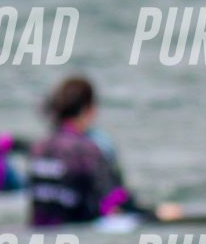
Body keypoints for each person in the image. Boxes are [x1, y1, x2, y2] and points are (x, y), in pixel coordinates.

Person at [24, 75, 184, 225]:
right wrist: (155, 214)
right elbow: (115, 199)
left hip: (40, 228)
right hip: (81, 229)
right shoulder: (87, 151)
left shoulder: (38, 149)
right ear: (88, 110)